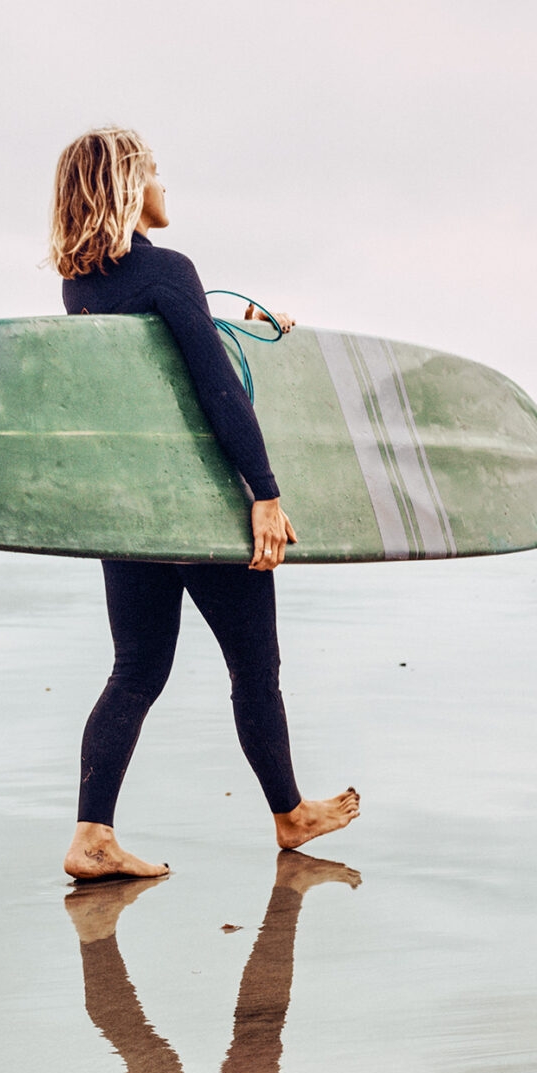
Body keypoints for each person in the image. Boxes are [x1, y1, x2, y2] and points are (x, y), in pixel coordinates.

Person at [49, 127, 361, 880]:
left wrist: (243, 331)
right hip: (200, 508)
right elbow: (214, 390)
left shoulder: (80, 288)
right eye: (155, 173)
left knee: (135, 670)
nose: (165, 188)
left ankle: (92, 836)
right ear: (130, 186)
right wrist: (265, 492)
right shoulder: (167, 271)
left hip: (130, 514)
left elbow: (162, 370)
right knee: (256, 672)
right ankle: (290, 815)